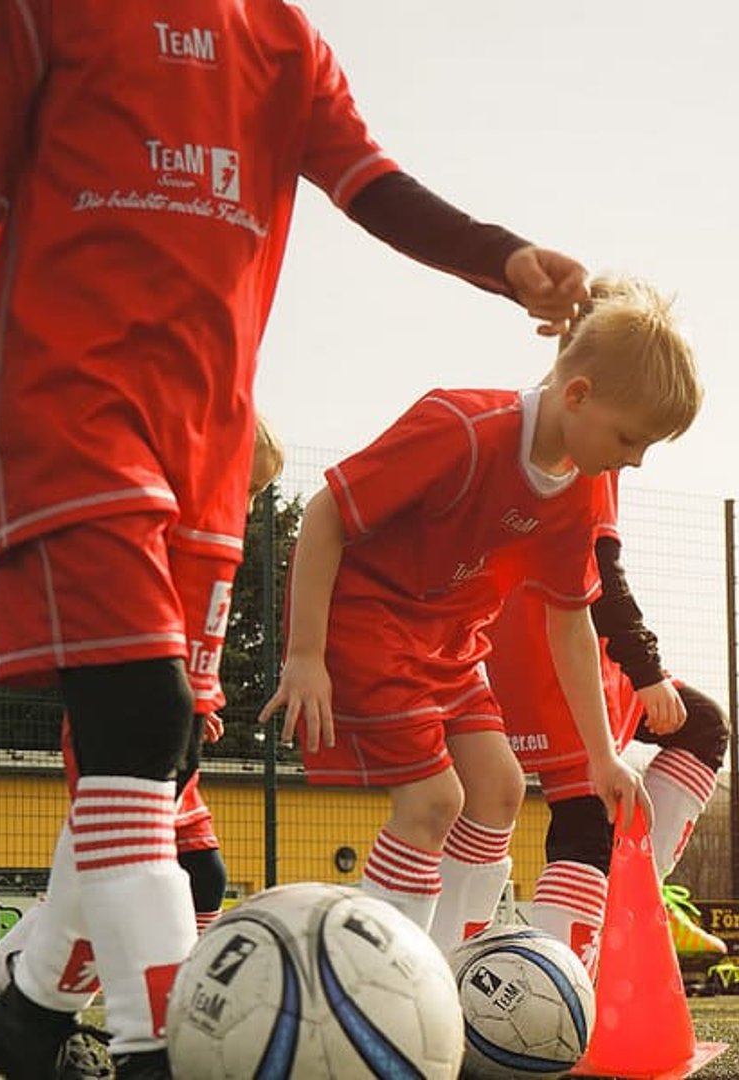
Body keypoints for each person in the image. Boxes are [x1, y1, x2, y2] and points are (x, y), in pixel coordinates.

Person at [0, 1, 588, 1073]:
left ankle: (21, 1017)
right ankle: (158, 1048)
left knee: (154, 762)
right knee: (140, 725)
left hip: (210, 457)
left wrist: (503, 256)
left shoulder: (283, 41)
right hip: (69, 411)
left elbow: (370, 185)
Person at [261, 279, 700, 954]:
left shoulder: (576, 490)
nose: (635, 459)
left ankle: (448, 972)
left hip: (450, 643)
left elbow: (571, 622)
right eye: (629, 438)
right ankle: (375, 982)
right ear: (578, 395)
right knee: (434, 801)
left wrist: (602, 756)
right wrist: (306, 655)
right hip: (370, 627)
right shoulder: (461, 430)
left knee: (496, 789)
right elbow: (326, 514)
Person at [0, 418, 287, 1077]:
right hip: (135, 718)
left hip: (177, 719)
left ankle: (8, 999)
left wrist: (201, 698)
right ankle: (136, 1026)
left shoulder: (216, 537)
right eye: (243, 485)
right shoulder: (167, 523)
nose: (249, 502)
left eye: (257, 492)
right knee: (136, 863)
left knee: (178, 870)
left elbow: (192, 636)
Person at [481, 470, 731, 972]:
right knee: (584, 827)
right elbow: (604, 578)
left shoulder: (548, 441)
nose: (638, 457)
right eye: (633, 437)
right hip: (560, 661)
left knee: (701, 725)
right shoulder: (584, 460)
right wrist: (646, 671)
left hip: (548, 650)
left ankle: (635, 897)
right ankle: (558, 986)